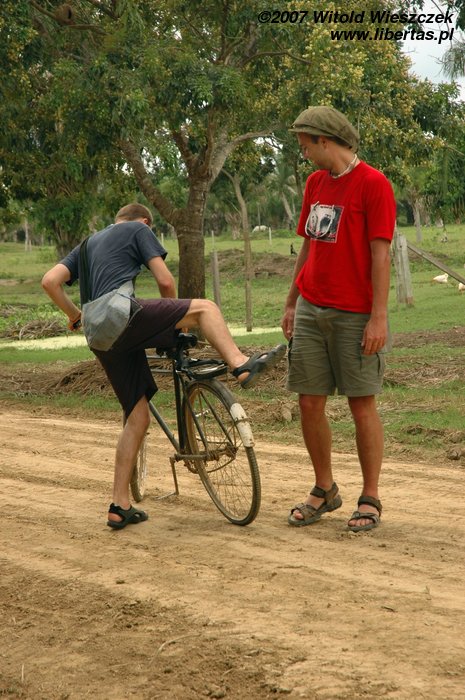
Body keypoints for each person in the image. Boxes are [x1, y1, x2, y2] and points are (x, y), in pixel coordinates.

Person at [42, 203, 286, 530]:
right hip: (121, 315)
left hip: (97, 335)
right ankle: (240, 364)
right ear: (145, 222)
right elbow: (166, 281)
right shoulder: (138, 229)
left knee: (137, 417)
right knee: (205, 308)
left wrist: (75, 315)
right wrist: (176, 324)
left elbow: (49, 281)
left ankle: (119, 506)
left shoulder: (87, 244)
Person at [281, 106, 396, 532]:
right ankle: (324, 489)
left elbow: (381, 255)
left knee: (360, 403)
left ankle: (370, 497)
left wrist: (378, 318)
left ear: (324, 141)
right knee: (309, 401)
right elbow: (309, 245)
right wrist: (292, 302)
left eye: (305, 145)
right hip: (312, 307)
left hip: (355, 314)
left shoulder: (374, 184)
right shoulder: (315, 183)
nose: (304, 153)